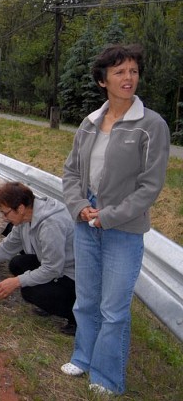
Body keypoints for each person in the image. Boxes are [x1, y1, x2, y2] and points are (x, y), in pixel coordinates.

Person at [61, 44, 170, 395]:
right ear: (102, 80)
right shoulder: (90, 123)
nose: (128, 78)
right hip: (85, 218)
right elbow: (71, 173)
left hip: (123, 227)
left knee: (113, 308)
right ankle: (83, 358)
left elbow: (149, 187)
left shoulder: (151, 125)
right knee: (86, 299)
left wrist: (106, 216)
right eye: (120, 72)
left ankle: (107, 378)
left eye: (133, 71)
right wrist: (79, 207)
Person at [0, 181, 77, 335]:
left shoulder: (51, 225)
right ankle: (52, 302)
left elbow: (52, 268)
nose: (4, 218)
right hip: (58, 268)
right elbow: (6, 247)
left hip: (76, 277)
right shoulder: (25, 218)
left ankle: (76, 316)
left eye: (5, 213)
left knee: (29, 291)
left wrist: (17, 281)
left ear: (20, 208)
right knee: (17, 264)